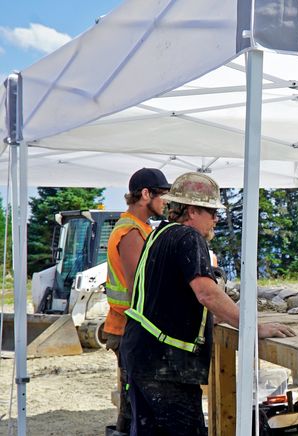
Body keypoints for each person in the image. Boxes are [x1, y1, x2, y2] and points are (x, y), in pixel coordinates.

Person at [120, 172, 295, 435]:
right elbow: (207, 293)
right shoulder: (189, 238)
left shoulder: (159, 236)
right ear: (191, 211)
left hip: (143, 357)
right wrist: (252, 327)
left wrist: (216, 317)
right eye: (210, 211)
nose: (216, 218)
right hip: (165, 364)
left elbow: (172, 301)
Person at [104, 168, 170, 436]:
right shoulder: (131, 232)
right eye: (163, 195)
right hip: (129, 327)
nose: (166, 202)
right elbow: (140, 289)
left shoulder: (141, 228)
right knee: (134, 406)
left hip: (131, 325)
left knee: (136, 403)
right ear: (146, 194)